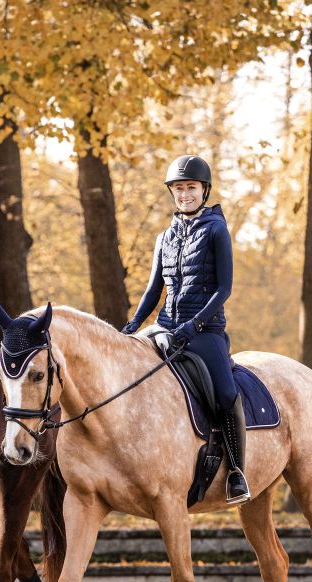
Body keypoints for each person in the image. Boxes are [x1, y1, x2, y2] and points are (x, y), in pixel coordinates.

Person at [121, 155, 250, 504]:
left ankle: (237, 472)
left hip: (204, 330)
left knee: (226, 393)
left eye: (191, 187)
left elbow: (224, 289)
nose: (185, 194)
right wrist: (132, 325)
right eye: (179, 188)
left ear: (204, 190)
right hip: (165, 326)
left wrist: (194, 325)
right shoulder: (164, 237)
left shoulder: (216, 230)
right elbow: (154, 290)